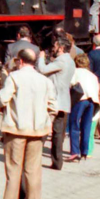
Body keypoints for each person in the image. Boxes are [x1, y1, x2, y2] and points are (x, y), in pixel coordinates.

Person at [0, 49, 56, 199]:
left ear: (20, 61)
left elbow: (1, 99)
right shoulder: (44, 81)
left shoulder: (14, 77)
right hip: (37, 131)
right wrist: (45, 121)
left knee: (14, 169)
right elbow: (53, 106)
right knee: (33, 171)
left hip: (16, 130)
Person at [37, 38, 75, 169]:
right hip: (64, 101)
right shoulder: (70, 61)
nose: (53, 48)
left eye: (55, 46)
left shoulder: (62, 61)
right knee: (58, 134)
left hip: (54, 101)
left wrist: (41, 57)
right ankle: (57, 161)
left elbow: (42, 70)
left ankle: (35, 156)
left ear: (61, 48)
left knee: (44, 130)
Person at [68, 54, 99, 161]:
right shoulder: (93, 76)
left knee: (74, 125)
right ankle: (85, 151)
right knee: (86, 126)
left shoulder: (75, 72)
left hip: (80, 100)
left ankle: (75, 151)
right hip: (92, 101)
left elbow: (71, 84)